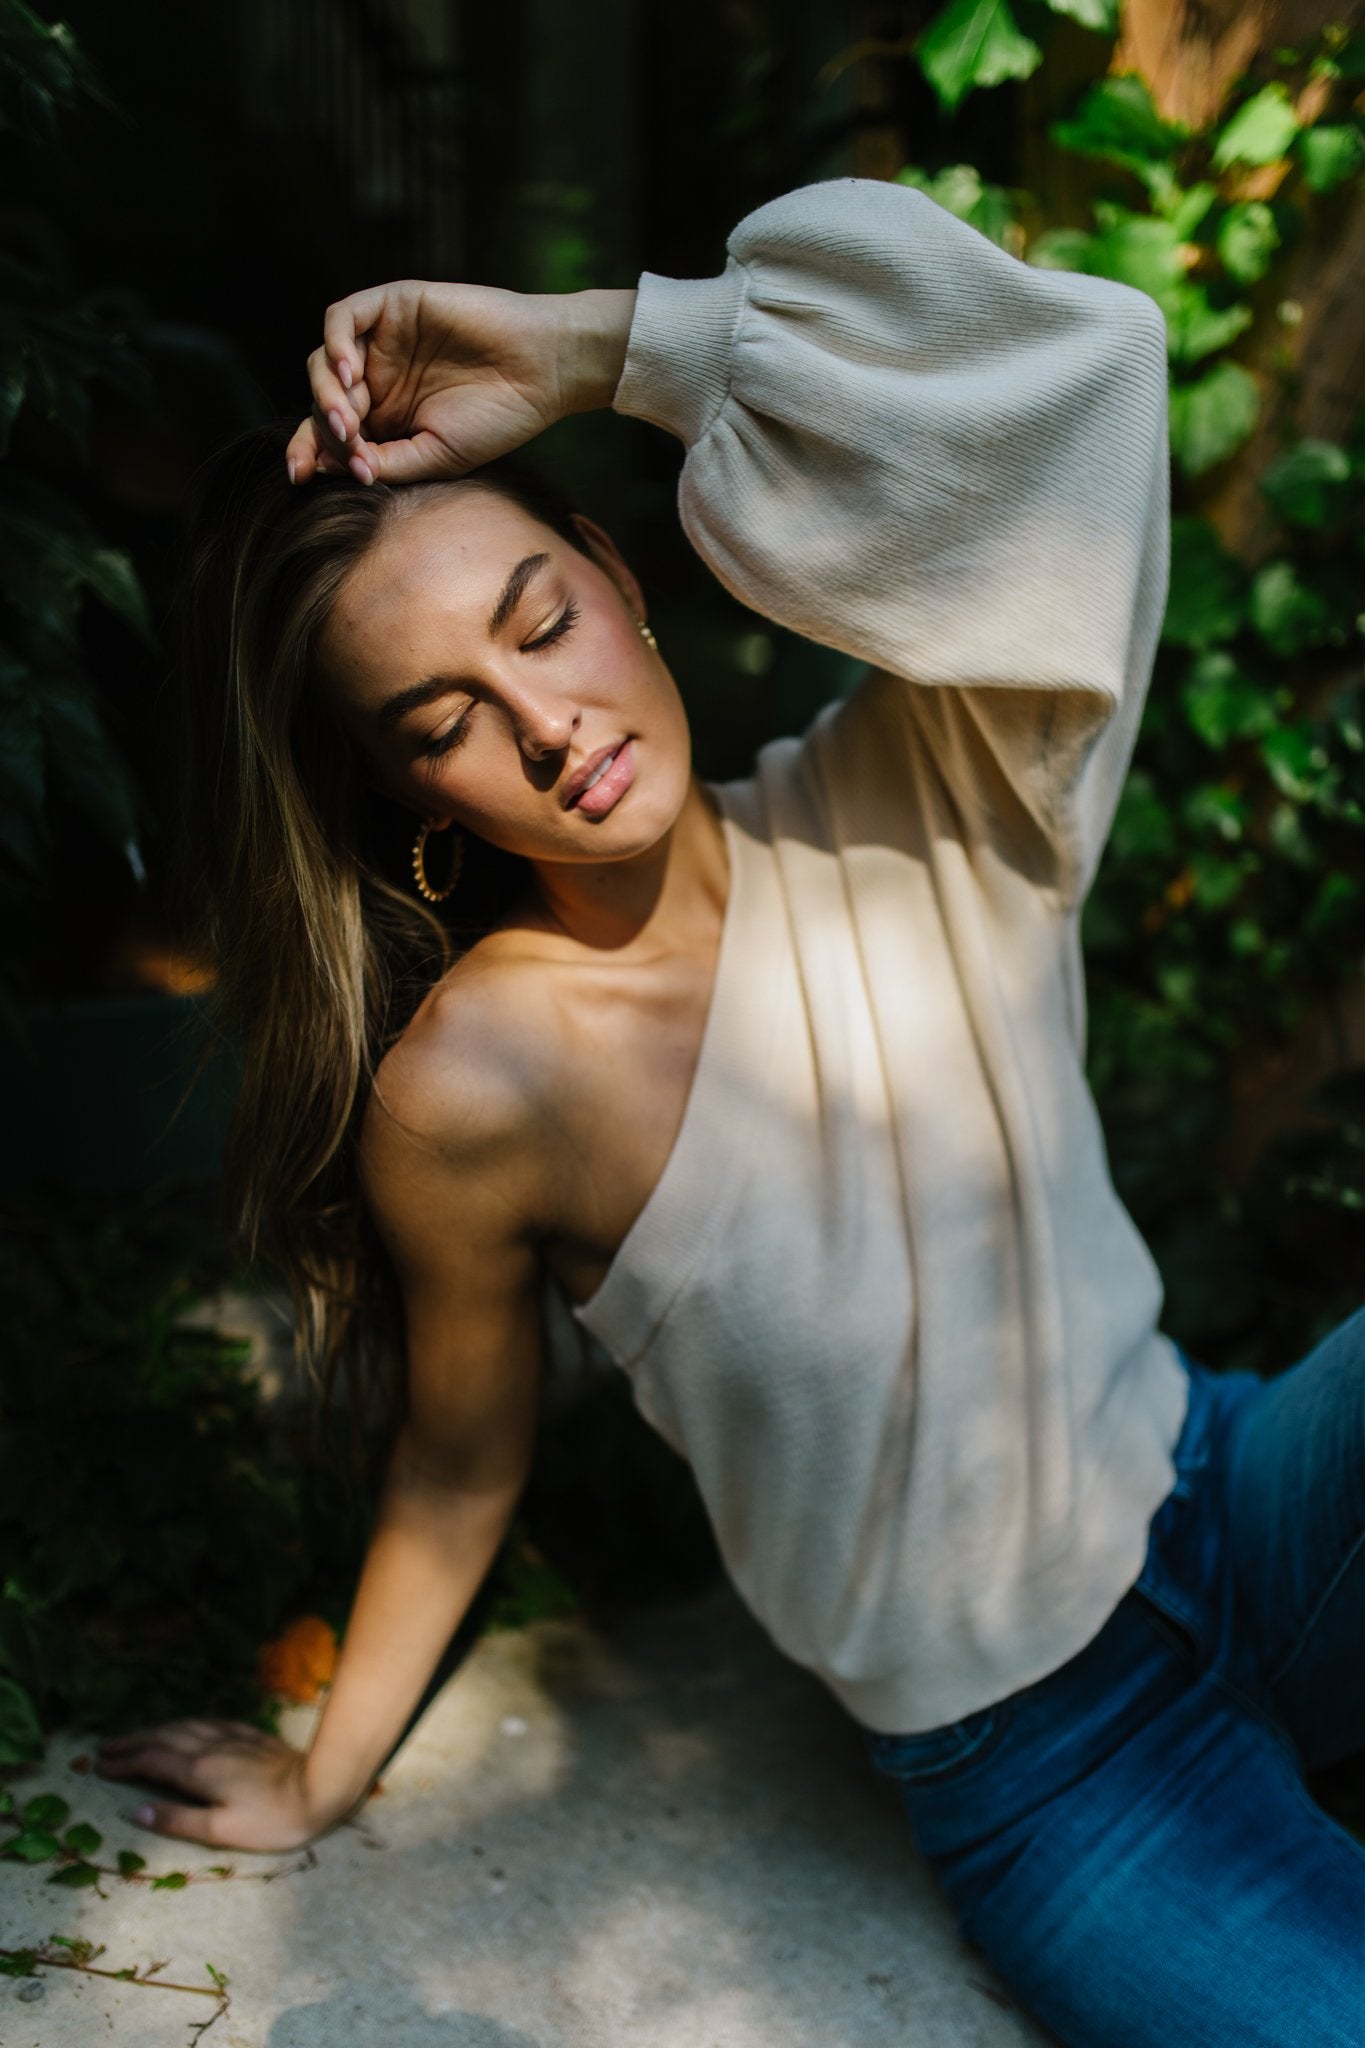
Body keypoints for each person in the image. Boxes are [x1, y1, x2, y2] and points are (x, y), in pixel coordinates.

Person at [95, 178, 1365, 2046]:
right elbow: (460, 1457)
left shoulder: (935, 788)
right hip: (1054, 1768)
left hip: (1244, 1508)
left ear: (621, 579)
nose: (541, 720)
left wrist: (603, 348)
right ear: (408, 799)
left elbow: (1099, 373)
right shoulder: (473, 1086)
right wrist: (319, 1773)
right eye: (440, 719)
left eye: (542, 620)